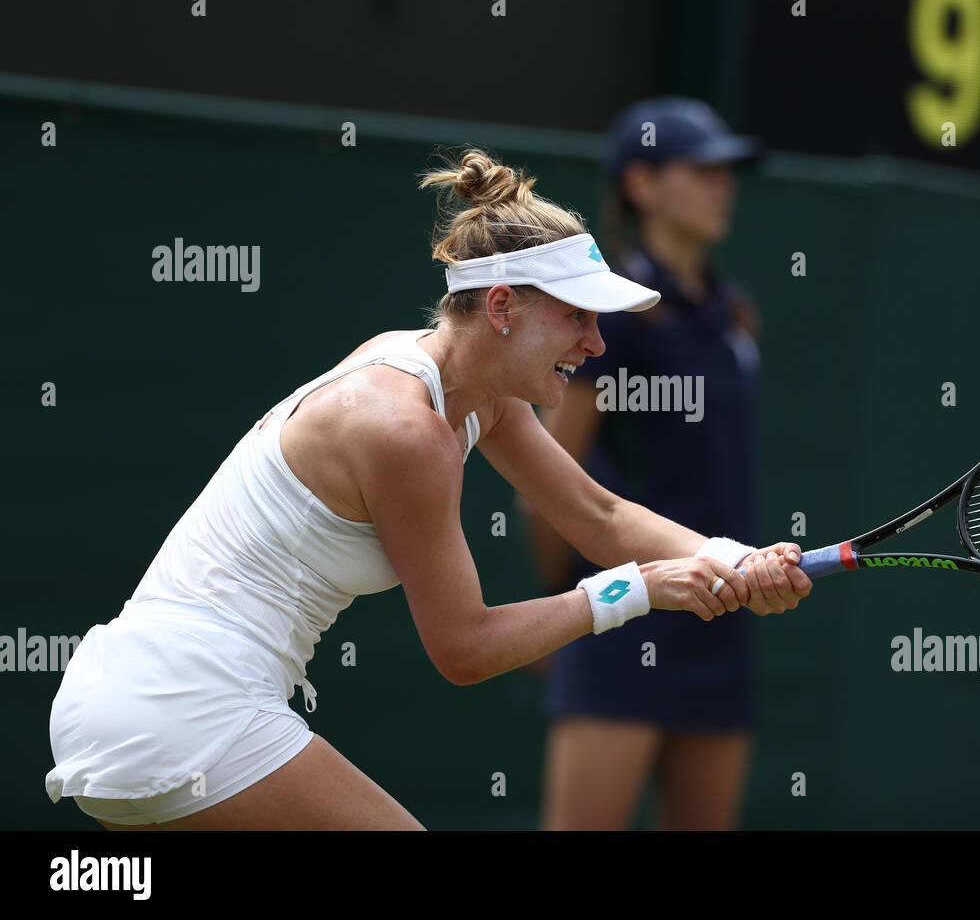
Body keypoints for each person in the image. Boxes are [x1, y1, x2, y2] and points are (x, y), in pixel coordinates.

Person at [43, 149, 812, 831]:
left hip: (133, 708)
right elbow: (465, 650)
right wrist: (638, 591)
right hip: (183, 711)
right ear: (503, 307)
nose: (597, 343)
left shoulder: (468, 386)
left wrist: (735, 560)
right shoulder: (403, 430)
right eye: (577, 317)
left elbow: (598, 513)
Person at [525, 97, 768, 830]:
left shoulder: (737, 315)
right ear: (642, 184)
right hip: (625, 619)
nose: (723, 187)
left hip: (722, 623)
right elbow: (545, 484)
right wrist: (558, 611)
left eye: (728, 173)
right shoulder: (610, 320)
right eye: (701, 171)